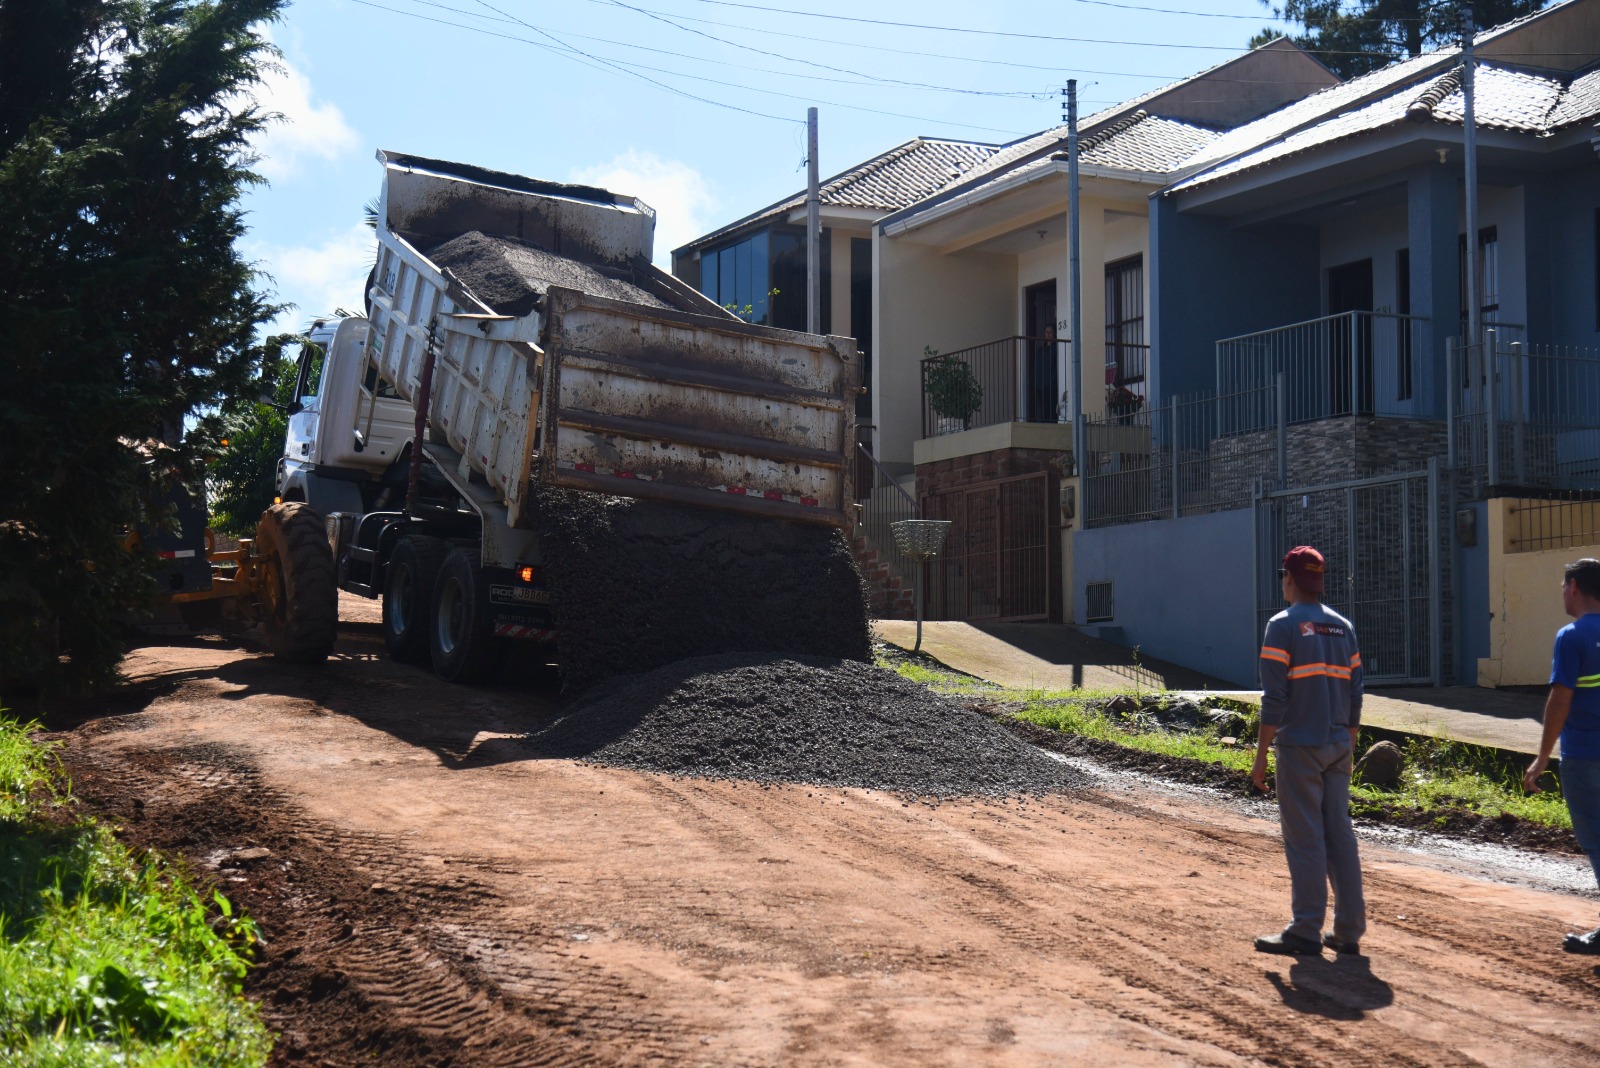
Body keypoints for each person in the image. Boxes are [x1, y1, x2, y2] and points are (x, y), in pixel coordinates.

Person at [1252, 545, 1367, 956]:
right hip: (1338, 744)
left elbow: (1275, 698)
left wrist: (1262, 753)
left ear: (1288, 578)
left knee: (1305, 839)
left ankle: (1305, 929)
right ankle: (1350, 930)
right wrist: (1347, 741)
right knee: (1339, 835)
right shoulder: (1343, 627)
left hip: (1300, 745)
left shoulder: (1281, 626)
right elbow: (1356, 692)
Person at [1522, 557, 1600, 955]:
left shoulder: (1571, 636)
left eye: (1562, 587)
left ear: (1573, 587)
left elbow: (1561, 698)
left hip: (1586, 756)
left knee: (1597, 841)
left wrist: (1542, 757)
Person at [1028, 324, 1059, 423]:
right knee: (1043, 408)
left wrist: (1053, 379)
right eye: (1046, 332)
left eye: (1050, 332)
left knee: (1052, 408)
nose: (1048, 334)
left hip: (1051, 385)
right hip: (1041, 385)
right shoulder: (1040, 351)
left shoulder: (1057, 348)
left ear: (1054, 334)